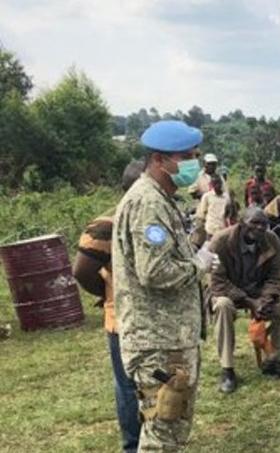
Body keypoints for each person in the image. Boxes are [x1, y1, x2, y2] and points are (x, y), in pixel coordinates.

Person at [112, 120, 212, 451]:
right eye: (187, 157)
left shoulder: (160, 199)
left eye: (195, 155)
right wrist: (198, 265)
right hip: (158, 341)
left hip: (169, 339)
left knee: (169, 429)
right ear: (159, 160)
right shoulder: (148, 203)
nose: (194, 163)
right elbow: (154, 271)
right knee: (163, 432)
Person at [73, 160, 143, 453]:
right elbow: (82, 271)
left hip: (155, 321)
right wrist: (108, 293)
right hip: (122, 320)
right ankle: (133, 446)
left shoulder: (152, 222)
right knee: (127, 385)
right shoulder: (106, 226)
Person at [210, 207, 280, 393]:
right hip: (229, 292)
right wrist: (250, 302)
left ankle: (276, 360)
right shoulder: (221, 241)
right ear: (241, 223)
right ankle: (227, 369)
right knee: (223, 306)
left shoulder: (271, 239)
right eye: (254, 223)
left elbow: (277, 275)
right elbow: (218, 281)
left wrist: (265, 299)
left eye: (264, 224)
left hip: (259, 291)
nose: (259, 228)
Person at [194, 175, 233, 246]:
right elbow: (203, 212)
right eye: (215, 184)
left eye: (218, 183)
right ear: (212, 185)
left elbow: (228, 211)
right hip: (211, 228)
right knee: (210, 248)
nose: (217, 186)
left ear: (221, 184)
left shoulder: (226, 197)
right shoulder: (207, 196)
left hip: (222, 228)